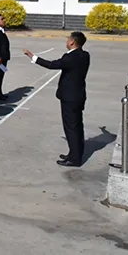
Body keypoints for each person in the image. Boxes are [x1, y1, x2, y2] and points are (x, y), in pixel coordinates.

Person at [24, 32, 91, 167]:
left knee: (71, 128)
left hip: (70, 98)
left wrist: (32, 56)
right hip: (78, 95)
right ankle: (74, 153)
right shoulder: (85, 55)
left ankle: (75, 159)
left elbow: (52, 65)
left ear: (72, 42)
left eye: (68, 39)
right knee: (77, 126)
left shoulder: (70, 57)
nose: (67, 41)